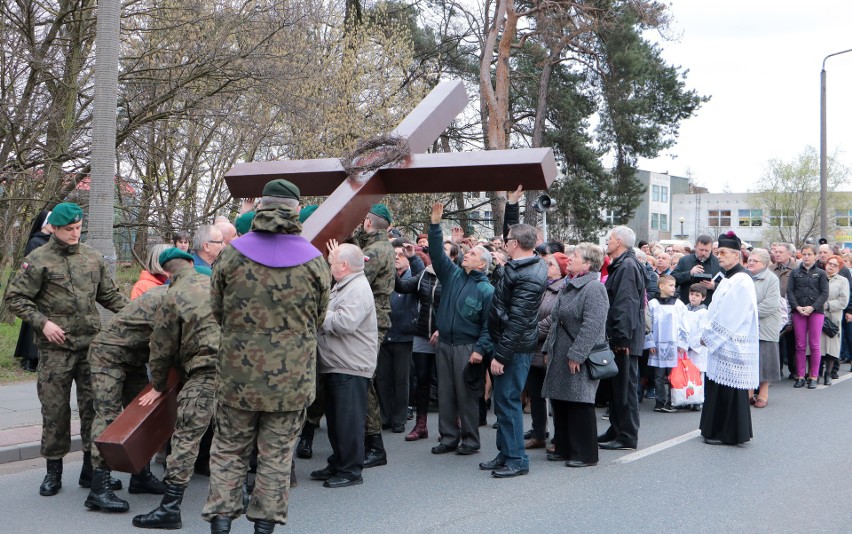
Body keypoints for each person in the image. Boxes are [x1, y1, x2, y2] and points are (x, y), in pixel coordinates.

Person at [201, 180, 329, 533]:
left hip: (237, 377)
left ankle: (222, 523)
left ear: (260, 209)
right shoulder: (316, 261)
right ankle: (264, 528)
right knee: (276, 459)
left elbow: (217, 310)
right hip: (291, 382)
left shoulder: (230, 254)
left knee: (228, 450)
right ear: (296, 211)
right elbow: (318, 318)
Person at [4, 203, 128, 496]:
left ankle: (90, 470)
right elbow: (15, 298)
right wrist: (43, 323)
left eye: (78, 228)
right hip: (55, 350)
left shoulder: (92, 258)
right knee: (55, 410)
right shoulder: (38, 259)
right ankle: (53, 472)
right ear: (55, 229)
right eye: (69, 229)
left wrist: (140, 312)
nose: (75, 233)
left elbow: (109, 296)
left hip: (89, 348)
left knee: (93, 409)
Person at [132, 248, 220, 530]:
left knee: (185, 439)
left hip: (206, 371)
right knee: (232, 437)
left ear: (168, 271)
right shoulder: (217, 283)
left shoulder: (173, 294)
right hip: (240, 370)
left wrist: (158, 384)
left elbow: (161, 347)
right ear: (192, 264)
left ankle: (170, 509)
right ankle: (237, 494)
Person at [84, 286, 169, 513]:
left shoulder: (175, 295)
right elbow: (163, 348)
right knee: (108, 417)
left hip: (132, 357)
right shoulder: (172, 302)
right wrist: (160, 384)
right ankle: (98, 488)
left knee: (145, 415)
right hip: (108, 355)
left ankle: (141, 476)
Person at [480, 223, 547, 479]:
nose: (503, 242)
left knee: (508, 402)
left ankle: (517, 458)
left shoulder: (529, 274)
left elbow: (518, 321)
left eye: (507, 239)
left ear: (514, 244)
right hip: (509, 344)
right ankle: (506, 452)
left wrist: (501, 356)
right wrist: (510, 205)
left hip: (514, 348)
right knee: (503, 402)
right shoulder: (524, 263)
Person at [428, 202, 494, 457]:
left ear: (482, 265)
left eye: (474, 254)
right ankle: (448, 437)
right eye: (468, 253)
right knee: (445, 393)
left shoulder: (486, 290)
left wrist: (480, 349)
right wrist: (435, 225)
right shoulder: (453, 275)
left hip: (467, 348)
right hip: (444, 344)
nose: (467, 254)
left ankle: (470, 439)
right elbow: (436, 253)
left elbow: (490, 326)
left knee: (466, 396)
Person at [309, 243, 377, 489]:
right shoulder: (344, 285)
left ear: (344, 265)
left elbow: (344, 322)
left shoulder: (357, 288)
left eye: (332, 261)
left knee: (348, 421)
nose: (329, 265)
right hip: (337, 363)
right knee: (337, 421)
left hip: (350, 365)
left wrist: (317, 313)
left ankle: (350, 470)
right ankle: (339, 462)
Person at [540, 243, 609, 468]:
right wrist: (547, 349)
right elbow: (555, 321)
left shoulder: (594, 288)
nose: (569, 258)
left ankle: (585, 454)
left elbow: (593, 325)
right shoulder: (569, 286)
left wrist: (578, 354)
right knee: (560, 400)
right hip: (560, 352)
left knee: (580, 401)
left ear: (587, 264)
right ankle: (564, 447)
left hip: (579, 355)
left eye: (575, 256)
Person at [699, 231, 759, 446]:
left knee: (730, 391)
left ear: (736, 255)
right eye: (718, 253)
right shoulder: (728, 277)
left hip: (732, 342)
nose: (719, 257)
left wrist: (711, 336)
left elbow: (732, 315)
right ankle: (714, 429)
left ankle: (728, 433)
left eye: (723, 253)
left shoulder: (742, 280)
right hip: (722, 342)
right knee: (718, 388)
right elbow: (716, 308)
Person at [353, 204, 396, 469]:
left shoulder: (375, 251)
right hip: (371, 322)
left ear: (368, 222)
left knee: (364, 381)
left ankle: (375, 445)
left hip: (371, 324)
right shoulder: (380, 246)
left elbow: (353, 279)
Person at [598, 226, 645, 451]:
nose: (607, 243)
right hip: (619, 336)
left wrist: (622, 339)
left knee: (625, 388)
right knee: (617, 388)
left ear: (619, 242)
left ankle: (626, 436)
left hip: (624, 338)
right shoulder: (622, 264)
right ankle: (616, 429)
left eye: (609, 239)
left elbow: (625, 305)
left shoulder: (627, 265)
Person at [394, 243, 442, 442]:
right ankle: (421, 425)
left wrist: (443, 328)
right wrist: (390, 268)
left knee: (446, 383)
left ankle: (452, 425)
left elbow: (455, 305)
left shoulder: (454, 276)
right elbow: (403, 287)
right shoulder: (424, 274)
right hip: (422, 334)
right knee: (421, 380)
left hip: (445, 336)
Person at [525, 252, 569, 450]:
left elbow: (555, 319)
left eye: (550, 264)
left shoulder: (564, 289)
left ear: (561, 269)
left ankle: (560, 437)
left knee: (556, 397)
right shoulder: (540, 288)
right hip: (533, 349)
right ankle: (538, 433)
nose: (546, 267)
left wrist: (531, 331)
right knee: (536, 395)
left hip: (550, 349)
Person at [376, 243, 420, 433]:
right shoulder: (383, 276)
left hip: (403, 336)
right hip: (384, 333)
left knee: (401, 380)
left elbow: (423, 276)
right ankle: (385, 416)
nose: (396, 257)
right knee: (383, 379)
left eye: (400, 254)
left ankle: (399, 418)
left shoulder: (412, 276)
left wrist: (412, 257)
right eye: (393, 254)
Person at [14, 210, 54, 371]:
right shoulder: (35, 242)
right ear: (45, 224)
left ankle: (40, 358)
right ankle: (29, 358)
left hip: (49, 288)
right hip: (35, 287)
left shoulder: (52, 241)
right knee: (32, 323)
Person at [787, 243, 829, 389]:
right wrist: (797, 307)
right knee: (800, 345)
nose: (806, 257)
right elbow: (790, 291)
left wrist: (812, 307)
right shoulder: (794, 273)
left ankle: (813, 376)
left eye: (809, 254)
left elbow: (824, 293)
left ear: (815, 256)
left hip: (815, 312)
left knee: (815, 344)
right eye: (804, 254)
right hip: (799, 311)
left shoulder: (821, 273)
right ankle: (800, 376)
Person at [645, 274, 688, 413]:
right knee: (658, 376)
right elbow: (647, 325)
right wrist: (650, 343)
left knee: (673, 375)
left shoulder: (679, 304)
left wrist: (682, 343)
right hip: (657, 345)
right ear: (661, 286)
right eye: (670, 285)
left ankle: (673, 400)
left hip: (673, 346)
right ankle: (660, 402)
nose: (673, 288)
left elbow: (684, 325)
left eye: (674, 286)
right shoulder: (652, 304)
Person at [746, 248, 781, 407]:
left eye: (755, 261)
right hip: (747, 326)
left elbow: (771, 305)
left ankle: (763, 393)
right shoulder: (745, 277)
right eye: (750, 260)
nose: (751, 263)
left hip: (765, 325)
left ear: (765, 264)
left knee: (765, 359)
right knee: (749, 360)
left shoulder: (771, 279)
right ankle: (748, 393)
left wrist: (747, 313)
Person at [819, 255, 849, 386]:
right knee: (817, 346)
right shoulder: (819, 276)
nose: (831, 266)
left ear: (839, 268)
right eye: (829, 263)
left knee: (832, 347)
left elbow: (843, 300)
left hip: (833, 316)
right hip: (818, 314)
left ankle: (829, 374)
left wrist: (826, 305)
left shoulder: (842, 281)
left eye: (835, 265)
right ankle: (816, 372)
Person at [671, 235, 722, 305]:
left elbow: (727, 286)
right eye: (701, 250)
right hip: (687, 305)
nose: (703, 253)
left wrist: (714, 285)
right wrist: (690, 273)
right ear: (695, 247)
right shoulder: (684, 260)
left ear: (711, 249)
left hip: (709, 306)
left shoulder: (718, 262)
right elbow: (672, 279)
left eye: (707, 250)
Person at [773, 243, 798, 378]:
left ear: (789, 254)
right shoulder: (771, 268)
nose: (777, 254)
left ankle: (794, 370)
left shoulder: (796, 268)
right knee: (777, 342)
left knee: (792, 342)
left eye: (780, 252)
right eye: (776, 252)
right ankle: (778, 369)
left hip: (792, 308)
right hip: (775, 309)